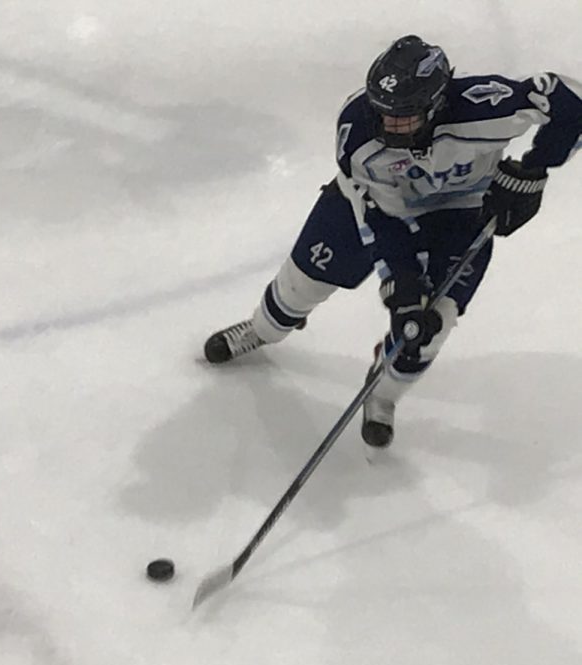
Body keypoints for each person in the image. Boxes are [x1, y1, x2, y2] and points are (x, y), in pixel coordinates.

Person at [203, 35, 582, 448]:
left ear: (437, 104)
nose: (390, 126)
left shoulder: (486, 104)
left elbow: (572, 102)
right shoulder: (358, 134)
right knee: (302, 282)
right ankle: (263, 329)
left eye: (403, 116)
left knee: (431, 325)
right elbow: (378, 218)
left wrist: (533, 172)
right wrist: (401, 282)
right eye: (383, 113)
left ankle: (381, 396)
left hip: (462, 216)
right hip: (379, 209)